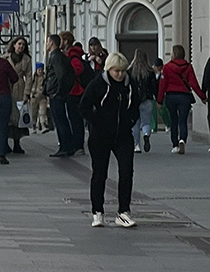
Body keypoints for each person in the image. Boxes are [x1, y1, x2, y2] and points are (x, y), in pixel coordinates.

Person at [79, 52, 140, 228]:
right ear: (109, 69)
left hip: (123, 135)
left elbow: (136, 105)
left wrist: (129, 121)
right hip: (100, 136)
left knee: (126, 172)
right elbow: (84, 107)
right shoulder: (98, 83)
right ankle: (97, 212)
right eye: (116, 71)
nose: (119, 75)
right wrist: (98, 122)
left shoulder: (130, 85)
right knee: (100, 174)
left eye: (122, 71)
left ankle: (123, 212)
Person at [157, 44, 205, 154]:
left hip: (171, 96)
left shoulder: (167, 67)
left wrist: (159, 100)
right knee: (183, 121)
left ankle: (175, 145)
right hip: (184, 97)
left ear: (174, 54)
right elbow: (194, 83)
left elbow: (162, 85)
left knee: (174, 120)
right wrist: (202, 96)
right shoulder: (188, 66)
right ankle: (182, 139)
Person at [44, 34, 76, 157]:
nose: (46, 45)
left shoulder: (55, 56)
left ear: (51, 43)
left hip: (57, 94)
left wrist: (58, 90)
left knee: (60, 120)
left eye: (47, 42)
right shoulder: (59, 55)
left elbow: (60, 74)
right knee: (61, 119)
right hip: (58, 93)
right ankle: (67, 146)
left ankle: (65, 146)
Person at [62, 32, 88, 154]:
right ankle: (76, 143)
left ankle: (78, 145)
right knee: (74, 118)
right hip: (74, 90)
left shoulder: (72, 55)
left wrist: (68, 77)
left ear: (66, 41)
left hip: (75, 91)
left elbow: (78, 69)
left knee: (75, 119)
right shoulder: (70, 54)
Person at [6, 36, 32, 154]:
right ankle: (5, 143)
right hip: (7, 87)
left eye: (23, 45)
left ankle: (17, 143)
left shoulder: (26, 59)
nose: (21, 46)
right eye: (19, 44)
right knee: (7, 116)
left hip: (20, 87)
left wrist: (27, 93)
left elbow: (29, 77)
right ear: (14, 45)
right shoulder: (5, 57)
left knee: (18, 117)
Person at [129, 49, 157, 153]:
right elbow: (154, 87)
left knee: (135, 124)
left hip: (134, 101)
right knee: (146, 122)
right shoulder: (150, 72)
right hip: (147, 100)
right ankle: (146, 134)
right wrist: (157, 98)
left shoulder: (130, 71)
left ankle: (137, 145)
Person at [26, 60, 50, 134]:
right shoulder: (33, 78)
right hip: (34, 97)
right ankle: (33, 125)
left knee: (42, 112)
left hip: (42, 97)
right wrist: (28, 94)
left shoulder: (45, 78)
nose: (40, 71)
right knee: (34, 112)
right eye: (39, 69)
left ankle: (43, 125)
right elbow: (29, 85)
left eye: (41, 70)